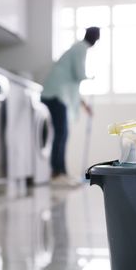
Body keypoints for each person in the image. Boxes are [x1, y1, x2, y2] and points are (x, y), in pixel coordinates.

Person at [41, 27, 99, 186]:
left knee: (62, 133)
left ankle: (61, 172)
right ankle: (57, 173)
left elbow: (72, 83)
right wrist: (91, 76)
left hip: (57, 93)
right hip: (55, 94)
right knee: (62, 133)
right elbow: (79, 73)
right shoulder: (81, 49)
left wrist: (85, 105)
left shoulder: (77, 48)